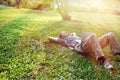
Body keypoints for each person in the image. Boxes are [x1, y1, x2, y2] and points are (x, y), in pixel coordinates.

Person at [48, 32, 120, 74]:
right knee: (92, 35)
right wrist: (60, 38)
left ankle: (118, 52)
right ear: (62, 36)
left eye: (65, 32)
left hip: (92, 44)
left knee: (110, 34)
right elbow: (51, 38)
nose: (65, 32)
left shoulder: (73, 35)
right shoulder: (64, 40)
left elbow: (73, 32)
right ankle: (102, 60)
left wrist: (72, 34)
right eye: (63, 33)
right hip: (82, 47)